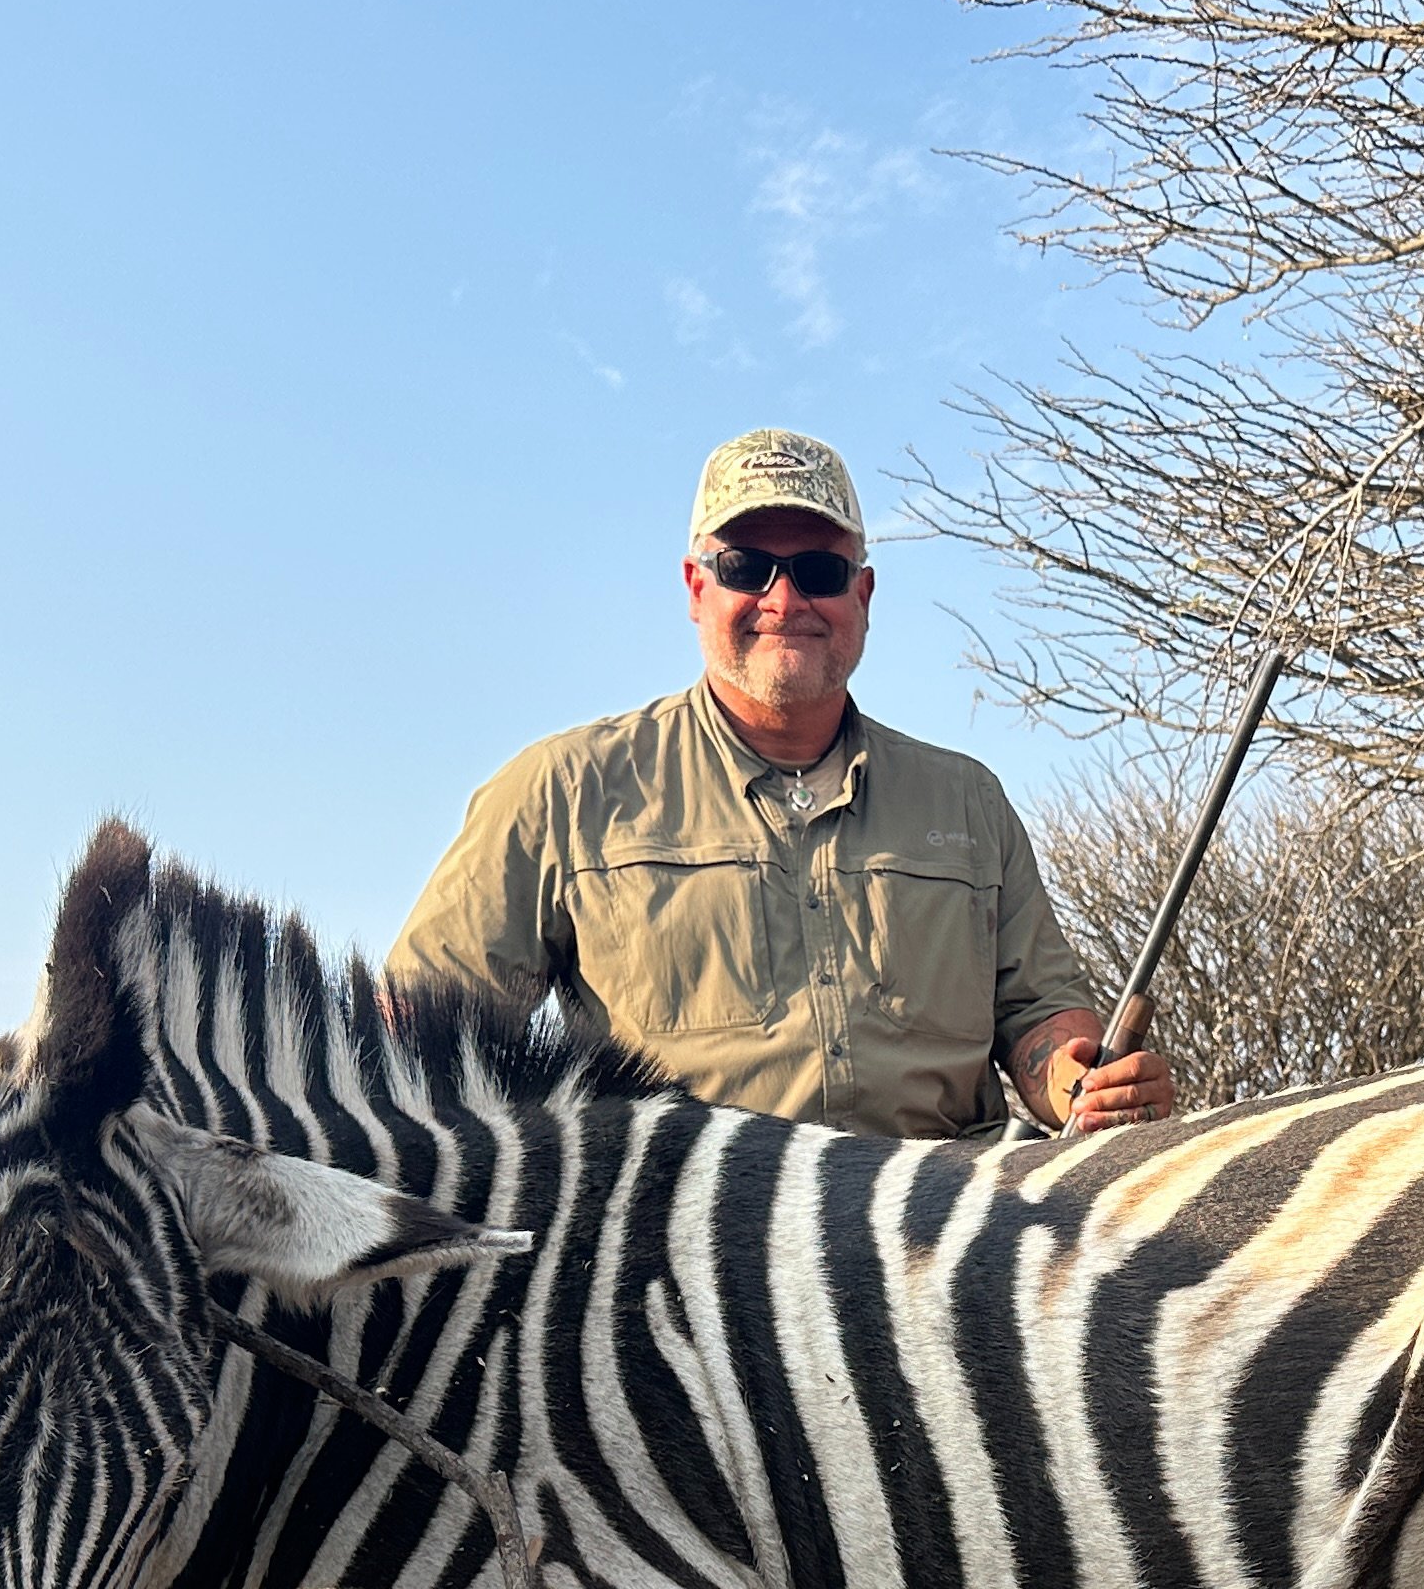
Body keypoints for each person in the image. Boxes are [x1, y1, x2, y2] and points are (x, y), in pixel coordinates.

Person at [387, 428, 1172, 1140]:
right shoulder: (562, 791)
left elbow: (1040, 1015)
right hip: (682, 1262)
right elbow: (413, 1036)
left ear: (862, 598)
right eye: (746, 567)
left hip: (950, 1237)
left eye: (820, 571)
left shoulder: (969, 802)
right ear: (697, 589)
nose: (784, 599)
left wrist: (1079, 1081)